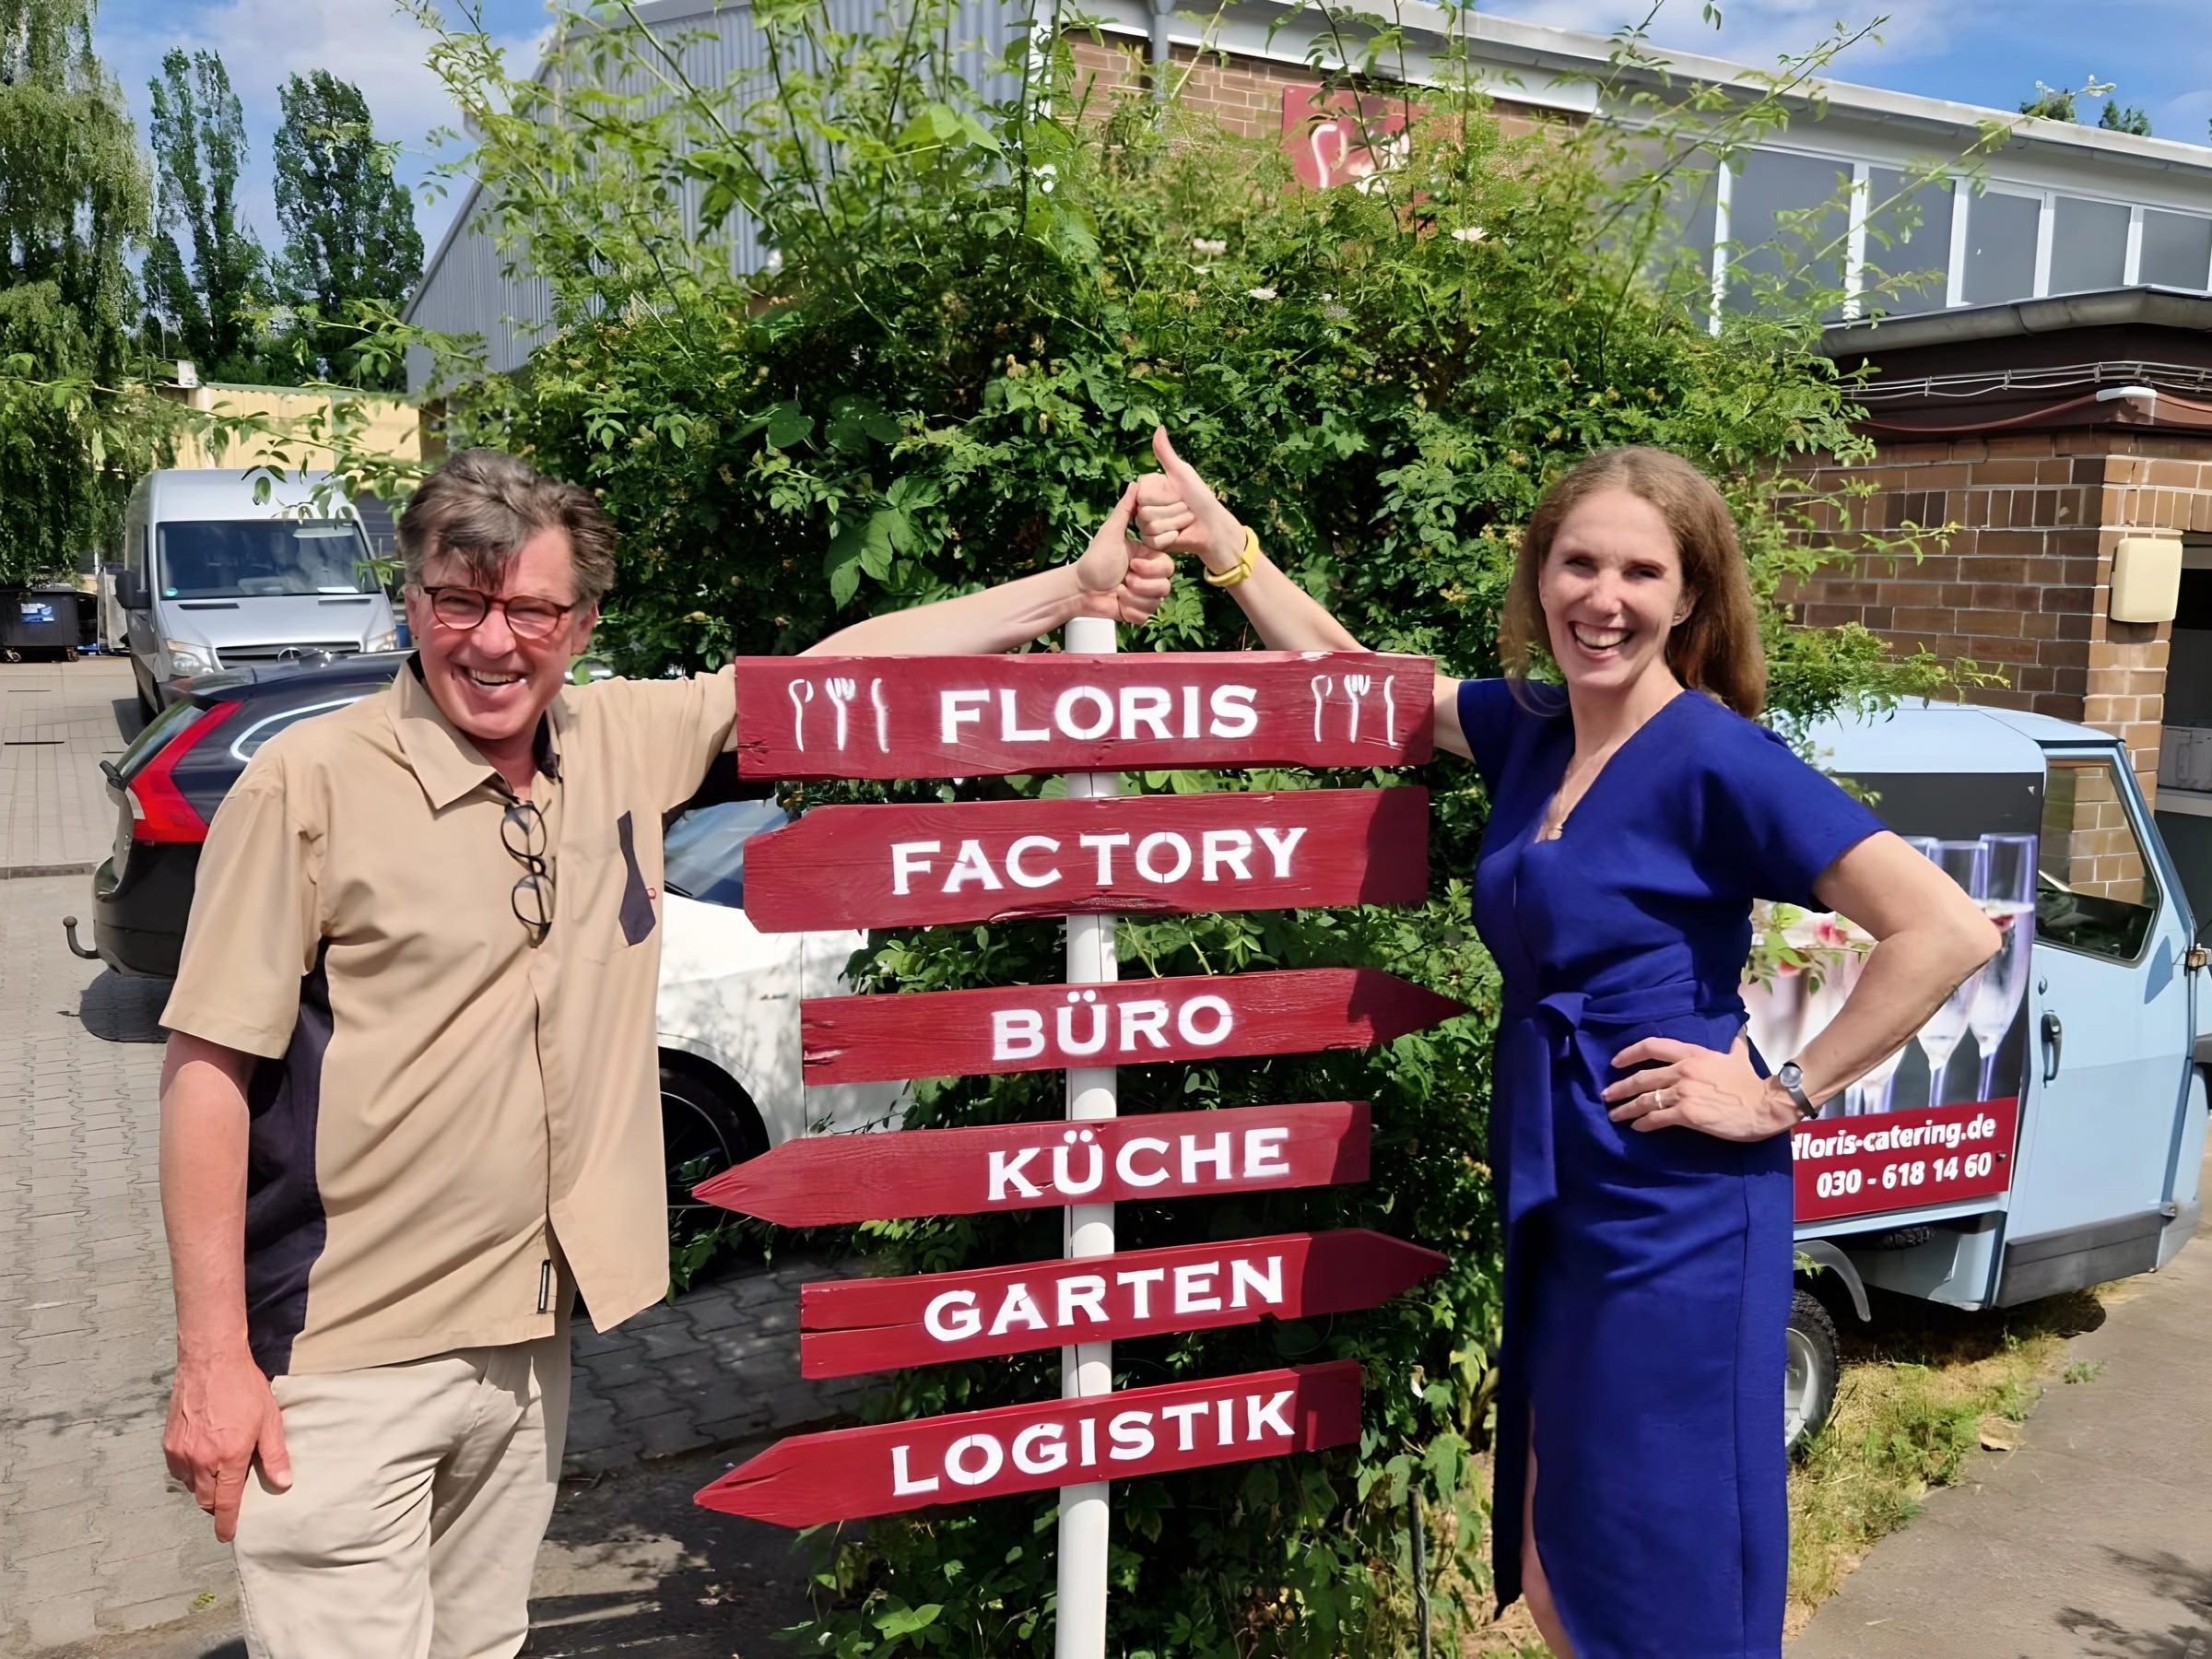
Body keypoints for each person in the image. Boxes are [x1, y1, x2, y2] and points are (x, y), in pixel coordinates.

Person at [157, 449, 1169, 1658]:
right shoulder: (308, 786)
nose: (492, 643)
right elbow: (207, 1072)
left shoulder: (623, 739)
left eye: (530, 609)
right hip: (344, 1364)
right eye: (458, 602)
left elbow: (832, 673)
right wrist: (212, 1363)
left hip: (530, 1353)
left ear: (580, 622)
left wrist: (1071, 588)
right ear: (412, 601)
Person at [1131, 430, 1997, 1659]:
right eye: (1579, 564)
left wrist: (1778, 1090)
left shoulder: (1715, 757)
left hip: (1679, 1212)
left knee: (1665, 1558)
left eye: (1642, 573)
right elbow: (1367, 685)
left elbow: (1945, 929)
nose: (1605, 599)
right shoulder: (1537, 729)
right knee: (1555, 1547)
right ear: (1541, 577)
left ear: (1690, 594)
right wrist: (1232, 554)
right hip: (1568, 1191)